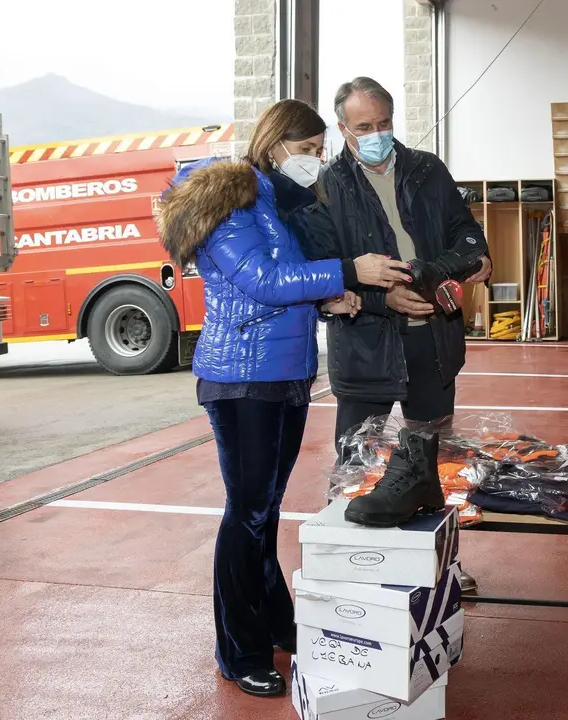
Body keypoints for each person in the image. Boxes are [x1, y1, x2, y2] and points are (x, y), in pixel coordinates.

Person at [154, 99, 411, 699]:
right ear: (274, 147)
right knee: (245, 513)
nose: (315, 162)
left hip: (285, 373)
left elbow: (284, 284)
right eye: (307, 150)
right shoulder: (231, 201)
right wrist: (349, 272)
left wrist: (328, 298)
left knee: (263, 511)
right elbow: (261, 282)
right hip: (243, 378)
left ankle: (273, 620)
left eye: (321, 152)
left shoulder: (276, 204)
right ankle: (236, 647)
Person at [304, 77, 491, 593]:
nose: (376, 134)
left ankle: (441, 567)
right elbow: (324, 272)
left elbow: (468, 233)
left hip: (433, 339)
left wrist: (440, 275)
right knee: (355, 465)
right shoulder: (324, 188)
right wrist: (387, 299)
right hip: (365, 346)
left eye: (384, 123)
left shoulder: (427, 169)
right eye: (364, 127)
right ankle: (344, 567)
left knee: (428, 467)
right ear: (343, 129)